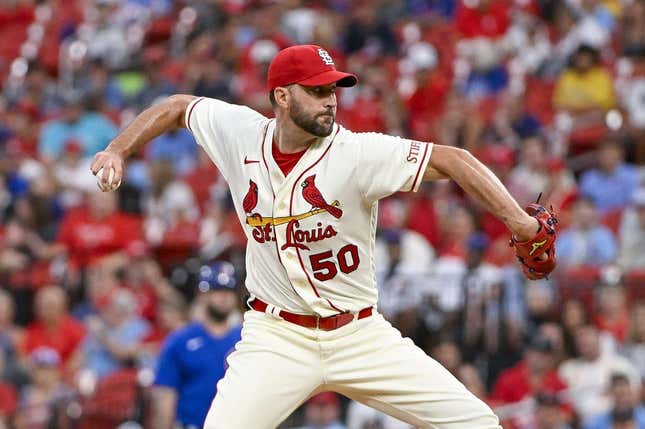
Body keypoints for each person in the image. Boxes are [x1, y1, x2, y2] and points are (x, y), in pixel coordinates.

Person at [91, 44, 555, 428]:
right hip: (276, 336)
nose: (331, 99)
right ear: (282, 97)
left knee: (477, 424)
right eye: (316, 91)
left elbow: (452, 158)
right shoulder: (240, 135)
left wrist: (519, 223)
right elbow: (177, 107)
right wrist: (117, 149)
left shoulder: (356, 153)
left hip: (359, 334)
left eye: (333, 88)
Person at [150, 261, 242, 429]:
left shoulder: (247, 339)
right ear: (202, 294)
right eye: (216, 290)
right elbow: (165, 396)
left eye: (229, 291)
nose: (224, 297)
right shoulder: (180, 340)